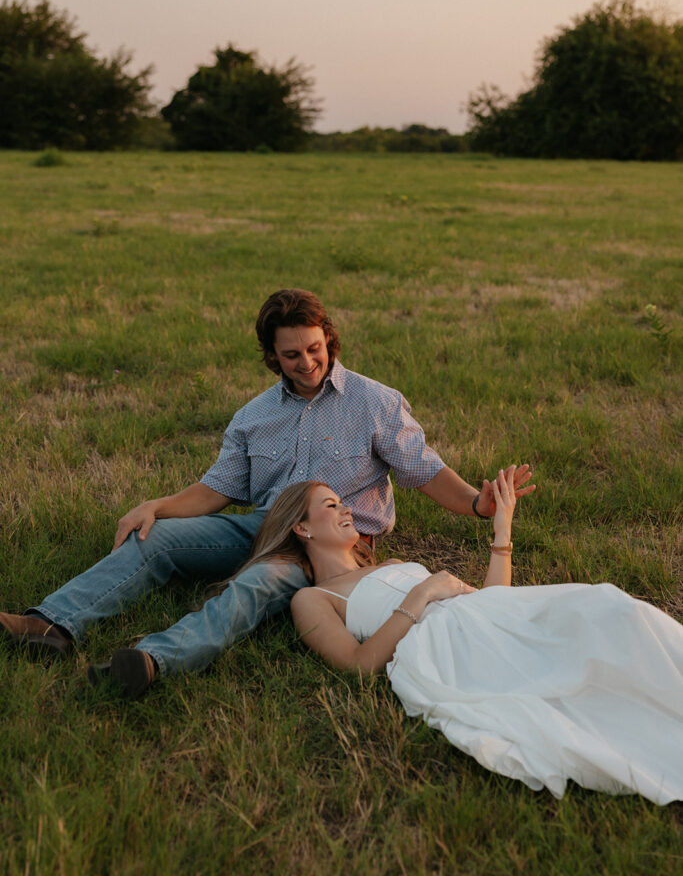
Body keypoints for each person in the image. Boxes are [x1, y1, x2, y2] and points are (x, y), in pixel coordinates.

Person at [1, 288, 534, 699]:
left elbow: (424, 470)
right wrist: (157, 507)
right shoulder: (254, 416)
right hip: (263, 524)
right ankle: (51, 624)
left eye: (314, 349)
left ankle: (150, 661)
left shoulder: (374, 401)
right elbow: (219, 488)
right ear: (272, 356)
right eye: (291, 355)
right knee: (154, 538)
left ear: (330, 340)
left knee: (256, 584)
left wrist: (476, 503)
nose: (305, 362)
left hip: (331, 546)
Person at [239, 475, 683, 805]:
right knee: (566, 691)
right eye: (331, 505)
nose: (346, 509)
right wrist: (424, 592)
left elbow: (494, 604)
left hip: (482, 618)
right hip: (442, 644)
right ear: (302, 528)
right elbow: (358, 664)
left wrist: (502, 531)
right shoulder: (313, 599)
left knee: (611, 609)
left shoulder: (390, 561)